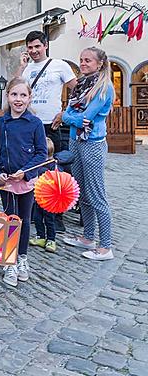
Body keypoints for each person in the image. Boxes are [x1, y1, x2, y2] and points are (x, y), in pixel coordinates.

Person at [0, 77, 47, 288]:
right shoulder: (1, 123)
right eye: (14, 94)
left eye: (23, 95)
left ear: (29, 98)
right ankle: (8, 261)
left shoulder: (35, 123)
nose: (18, 99)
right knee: (10, 218)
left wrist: (26, 172)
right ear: (8, 96)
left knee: (24, 220)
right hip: (7, 182)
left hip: (26, 181)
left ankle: (22, 258)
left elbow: (41, 153)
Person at [62, 47, 115, 260]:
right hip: (75, 140)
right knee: (81, 192)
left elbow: (87, 116)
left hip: (92, 143)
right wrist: (72, 117)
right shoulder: (81, 84)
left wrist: (70, 117)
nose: (83, 63)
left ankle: (105, 246)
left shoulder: (104, 88)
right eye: (81, 59)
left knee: (96, 194)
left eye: (88, 60)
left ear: (99, 63)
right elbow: (69, 114)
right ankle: (88, 237)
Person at [16, 30, 77, 153]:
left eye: (37, 46)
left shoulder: (60, 65)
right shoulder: (27, 68)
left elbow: (78, 91)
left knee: (51, 163)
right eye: (30, 47)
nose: (33, 51)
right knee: (29, 163)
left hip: (51, 123)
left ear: (46, 45)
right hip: (28, 121)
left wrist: (65, 113)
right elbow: (15, 88)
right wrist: (22, 67)